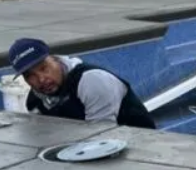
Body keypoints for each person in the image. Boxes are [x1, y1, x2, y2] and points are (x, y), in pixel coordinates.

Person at [8, 38, 156, 128]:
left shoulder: (92, 81)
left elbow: (102, 135)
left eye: (44, 68)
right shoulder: (35, 102)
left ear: (55, 60)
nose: (41, 79)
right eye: (30, 76)